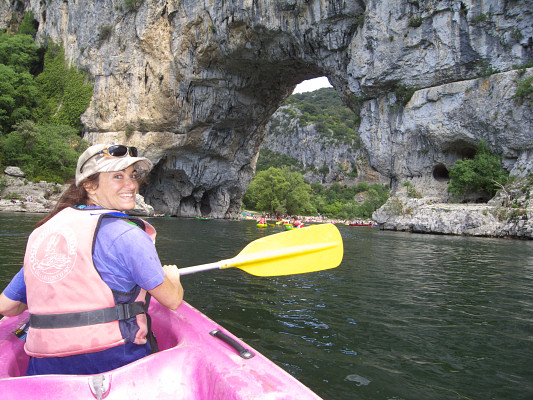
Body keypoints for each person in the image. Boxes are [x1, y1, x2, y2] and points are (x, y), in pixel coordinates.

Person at [0, 144, 184, 375]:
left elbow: (7, 306)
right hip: (113, 361)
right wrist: (173, 278)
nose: (131, 185)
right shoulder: (128, 235)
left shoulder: (43, 233)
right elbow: (172, 300)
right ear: (89, 185)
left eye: (133, 175)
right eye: (118, 176)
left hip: (45, 366)